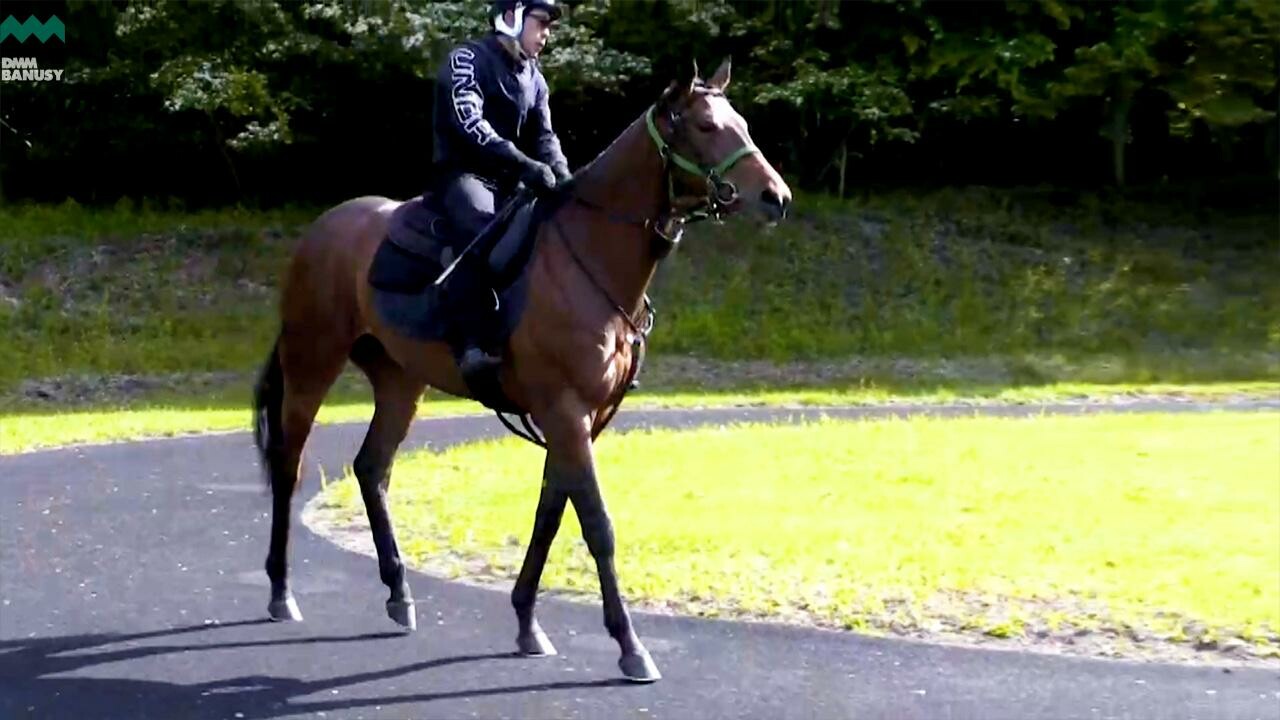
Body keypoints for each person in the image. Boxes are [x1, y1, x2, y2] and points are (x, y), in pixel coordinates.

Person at [431, 0, 571, 384]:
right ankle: (472, 345)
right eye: (540, 23)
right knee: (482, 226)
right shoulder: (467, 60)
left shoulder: (535, 77)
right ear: (511, 18)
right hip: (464, 174)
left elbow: (545, 137)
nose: (546, 34)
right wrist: (524, 164)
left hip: (513, 181)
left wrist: (564, 179)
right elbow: (469, 124)